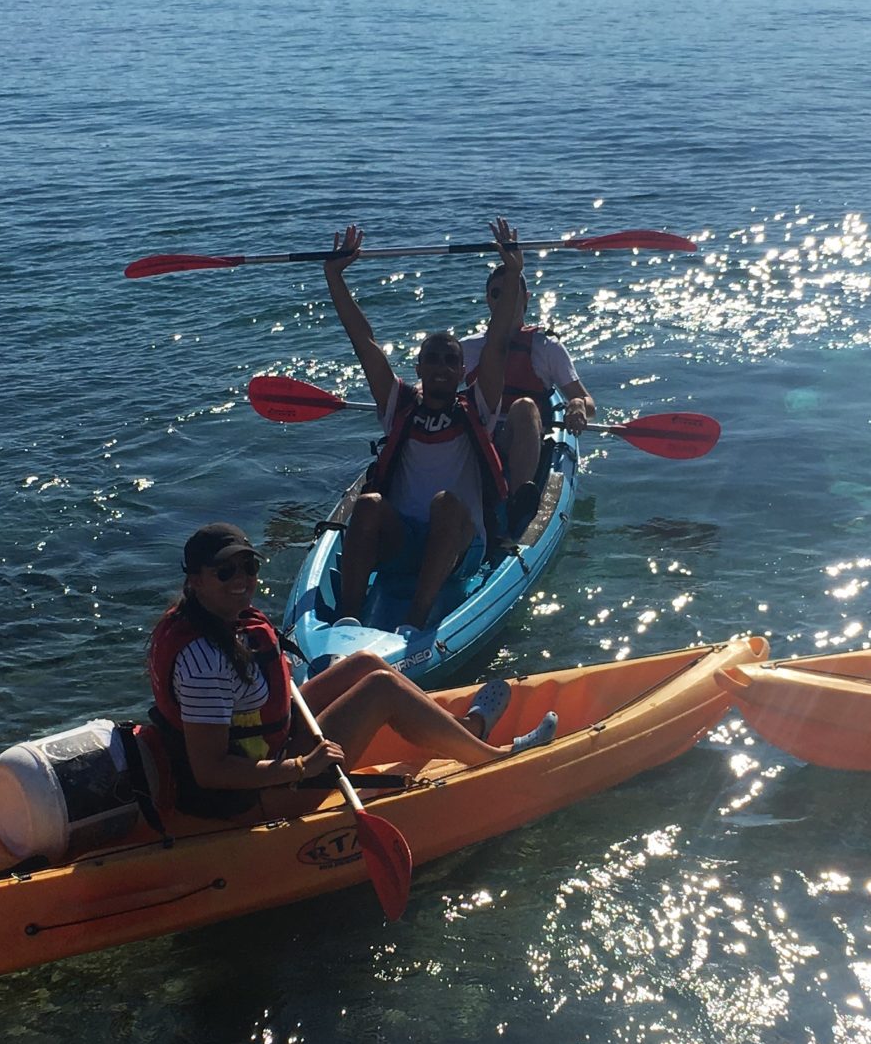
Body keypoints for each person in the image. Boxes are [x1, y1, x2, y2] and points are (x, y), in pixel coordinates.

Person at [142, 522, 556, 824]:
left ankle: (462, 730)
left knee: (364, 664)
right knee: (379, 689)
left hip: (270, 752)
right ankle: (494, 759)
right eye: (225, 572)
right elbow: (210, 771)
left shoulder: (211, 618)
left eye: (248, 567)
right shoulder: (202, 659)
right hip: (255, 797)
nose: (242, 580)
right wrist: (301, 767)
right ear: (195, 581)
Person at [324, 219, 519, 633]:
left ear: (463, 369)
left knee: (446, 503)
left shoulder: (477, 406)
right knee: (368, 504)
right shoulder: (400, 404)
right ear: (419, 367)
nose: (442, 367)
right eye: (433, 359)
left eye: (451, 361)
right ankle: (347, 619)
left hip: (463, 544)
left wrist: (514, 272)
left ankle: (414, 624)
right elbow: (364, 342)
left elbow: (499, 340)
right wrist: (334, 276)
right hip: (405, 543)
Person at [460, 218, 596, 497]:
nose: (503, 299)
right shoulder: (466, 347)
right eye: (496, 293)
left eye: (510, 291)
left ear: (525, 297)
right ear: (488, 300)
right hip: (478, 436)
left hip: (523, 436)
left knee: (524, 407)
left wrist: (578, 406)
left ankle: (518, 500)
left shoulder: (545, 347)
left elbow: (585, 400)